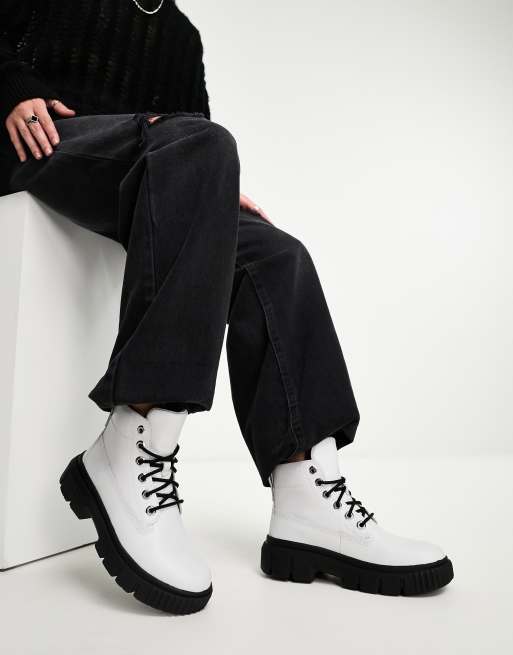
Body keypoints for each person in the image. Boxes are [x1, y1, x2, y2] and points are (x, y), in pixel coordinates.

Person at [0, 1, 453, 614]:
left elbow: (185, 136)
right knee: (202, 145)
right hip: (34, 143)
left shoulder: (181, 36)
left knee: (276, 255)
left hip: (127, 172)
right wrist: (13, 86)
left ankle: (304, 491)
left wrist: (212, 182)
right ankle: (137, 435)